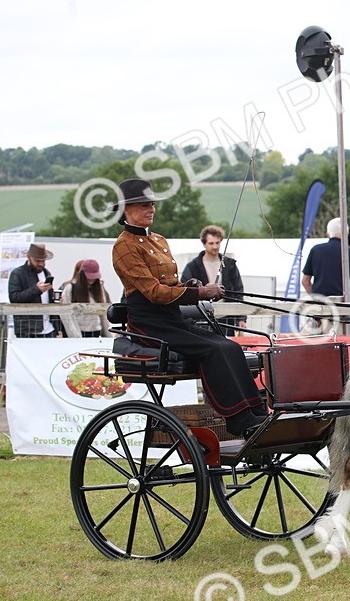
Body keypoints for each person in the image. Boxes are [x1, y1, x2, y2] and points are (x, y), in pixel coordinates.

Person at [112, 178, 268, 437]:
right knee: (212, 349)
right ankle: (238, 419)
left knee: (229, 345)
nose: (150, 209)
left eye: (151, 204)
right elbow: (154, 292)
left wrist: (191, 285)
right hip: (149, 322)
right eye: (143, 205)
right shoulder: (123, 246)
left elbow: (170, 283)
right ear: (126, 210)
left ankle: (258, 412)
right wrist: (198, 292)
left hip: (171, 317)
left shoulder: (159, 240)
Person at [181, 225, 245, 336]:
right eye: (211, 243)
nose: (215, 246)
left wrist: (241, 318)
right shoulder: (192, 267)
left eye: (217, 243)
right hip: (202, 318)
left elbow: (238, 291)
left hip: (226, 319)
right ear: (204, 244)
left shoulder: (230, 265)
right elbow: (184, 290)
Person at [302, 218, 350, 299]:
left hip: (322, 306)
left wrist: (315, 298)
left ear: (328, 232)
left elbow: (305, 281)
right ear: (347, 233)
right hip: (345, 306)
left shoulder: (316, 250)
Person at [8, 243, 58, 337]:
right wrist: (36, 290)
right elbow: (14, 298)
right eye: (37, 261)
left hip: (49, 328)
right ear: (28, 257)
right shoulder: (17, 274)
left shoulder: (46, 273)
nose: (41, 264)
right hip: (28, 329)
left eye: (43, 261)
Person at [61, 259, 112, 338]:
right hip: (80, 332)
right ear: (82, 274)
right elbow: (66, 314)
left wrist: (109, 336)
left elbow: (103, 314)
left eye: (94, 276)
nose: (91, 279)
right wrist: (76, 336)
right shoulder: (70, 288)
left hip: (96, 332)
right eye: (89, 276)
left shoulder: (99, 289)